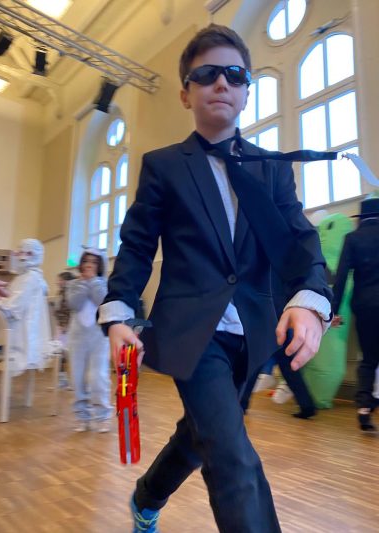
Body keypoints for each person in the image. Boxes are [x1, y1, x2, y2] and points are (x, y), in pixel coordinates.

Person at [98, 24, 332, 533]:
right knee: (232, 459)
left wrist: (311, 298)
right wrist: (119, 314)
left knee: (201, 434)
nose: (221, 82)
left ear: (246, 91)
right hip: (192, 333)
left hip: (252, 334)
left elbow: (299, 239)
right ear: (186, 93)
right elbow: (137, 247)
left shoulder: (272, 168)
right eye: (206, 74)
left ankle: (146, 497)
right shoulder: (164, 167)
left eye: (234, 74)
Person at [332, 195, 379, 432]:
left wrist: (333, 311)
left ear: (361, 218)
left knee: (368, 358)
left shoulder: (352, 238)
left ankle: (363, 407)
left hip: (365, 306)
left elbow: (340, 278)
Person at [67, 248, 112, 433]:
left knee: (97, 376)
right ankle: (82, 416)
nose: (89, 265)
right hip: (77, 336)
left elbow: (101, 300)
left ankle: (102, 415)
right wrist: (83, 284)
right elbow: (74, 304)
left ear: (100, 265)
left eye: (94, 262)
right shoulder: (73, 284)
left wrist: (92, 281)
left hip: (99, 336)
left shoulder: (104, 284)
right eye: (86, 261)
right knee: (77, 377)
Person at [0, 238, 52, 376]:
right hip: (15, 329)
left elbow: (13, 306)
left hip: (22, 334)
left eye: (28, 253)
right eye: (20, 252)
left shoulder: (30, 277)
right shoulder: (22, 277)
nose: (22, 257)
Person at [54, 271, 76, 388]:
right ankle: (62, 380)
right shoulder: (61, 293)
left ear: (67, 281)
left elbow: (70, 311)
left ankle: (73, 382)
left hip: (68, 328)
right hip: (61, 327)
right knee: (60, 354)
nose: (58, 282)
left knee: (69, 355)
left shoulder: (70, 294)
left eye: (60, 279)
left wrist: (65, 325)